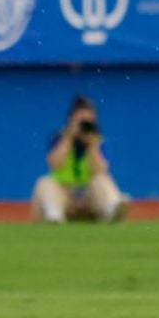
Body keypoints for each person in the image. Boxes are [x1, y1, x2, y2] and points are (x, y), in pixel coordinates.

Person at [32, 94, 128, 223]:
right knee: (44, 183)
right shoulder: (59, 138)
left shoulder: (98, 142)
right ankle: (53, 215)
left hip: (90, 200)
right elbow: (54, 164)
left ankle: (112, 207)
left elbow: (100, 170)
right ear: (71, 120)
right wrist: (69, 138)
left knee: (102, 180)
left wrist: (92, 146)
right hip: (65, 198)